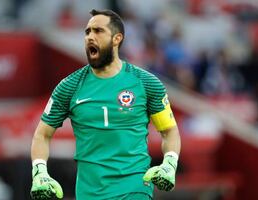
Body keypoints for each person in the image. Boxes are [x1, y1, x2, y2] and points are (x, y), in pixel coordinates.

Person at [30, 9, 181, 200]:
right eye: (87, 32)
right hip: (89, 192)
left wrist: (170, 162)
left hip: (134, 187)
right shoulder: (69, 87)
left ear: (117, 38)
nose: (90, 37)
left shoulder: (146, 83)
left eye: (98, 31)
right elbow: (42, 134)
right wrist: (40, 170)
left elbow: (169, 131)